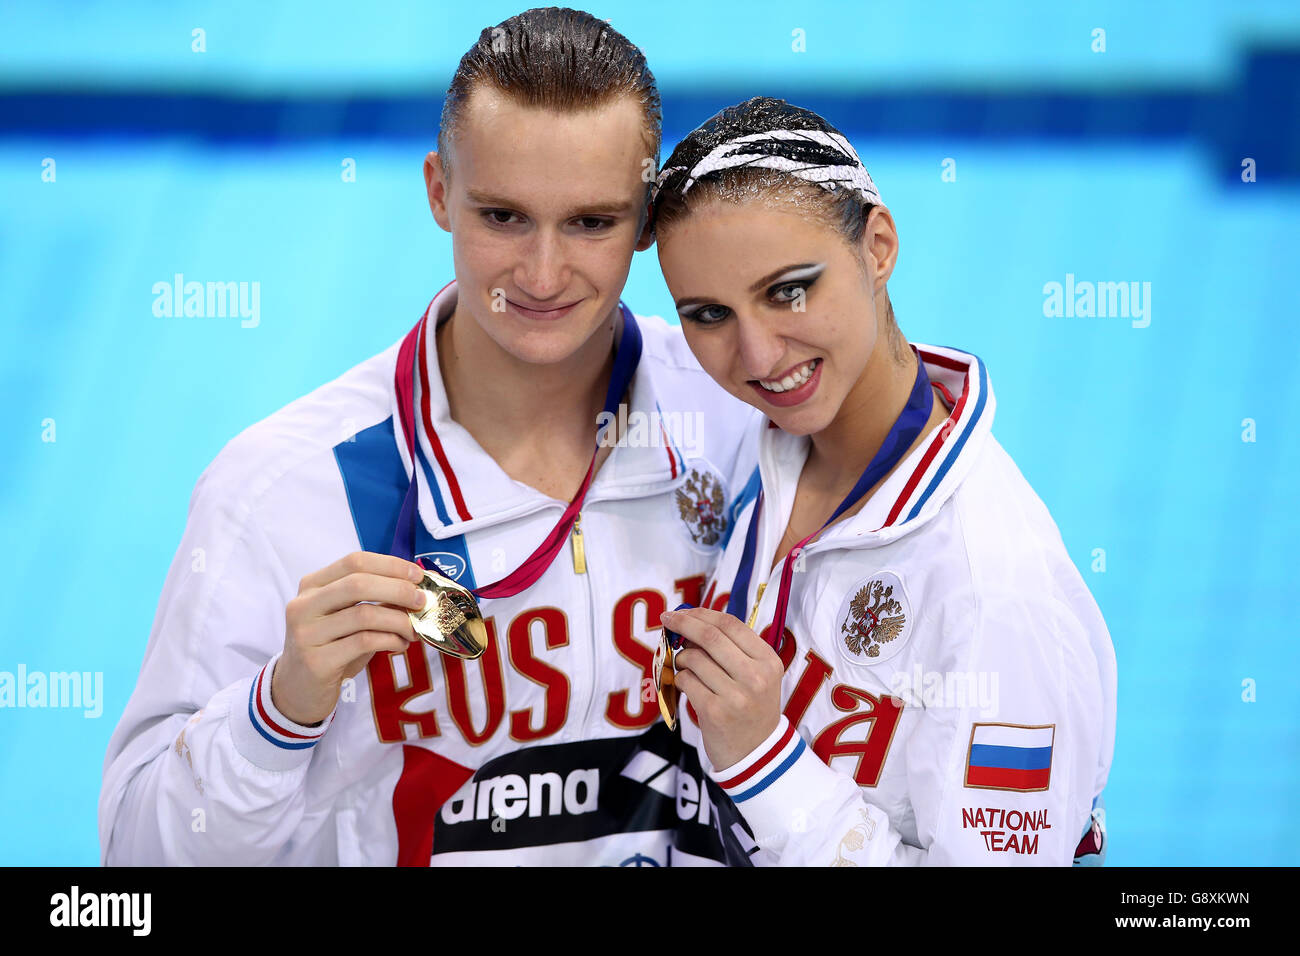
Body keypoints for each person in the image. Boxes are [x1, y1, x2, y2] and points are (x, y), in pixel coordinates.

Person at [98, 8, 757, 867]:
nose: (544, 274)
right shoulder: (282, 491)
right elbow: (135, 861)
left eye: (592, 222)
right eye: (504, 217)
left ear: (646, 220)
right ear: (439, 192)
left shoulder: (738, 427)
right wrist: (278, 709)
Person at [651, 97, 1116, 865]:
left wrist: (764, 763)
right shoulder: (756, 447)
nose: (759, 356)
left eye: (788, 290)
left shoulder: (993, 589)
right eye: (708, 313)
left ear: (878, 245)